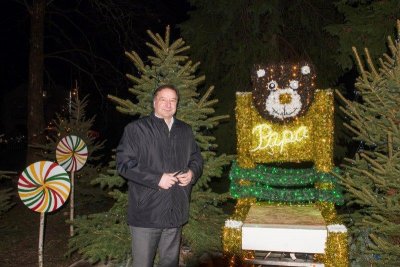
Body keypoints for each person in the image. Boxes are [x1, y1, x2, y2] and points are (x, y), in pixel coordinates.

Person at [116, 84, 203, 267]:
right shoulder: (136, 129)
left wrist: (192, 172)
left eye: (173, 100)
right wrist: (157, 179)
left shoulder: (185, 130)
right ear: (154, 102)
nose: (168, 104)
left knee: (170, 263)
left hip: (175, 210)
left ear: (177, 104)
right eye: (163, 99)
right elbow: (124, 164)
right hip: (146, 214)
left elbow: (196, 158)